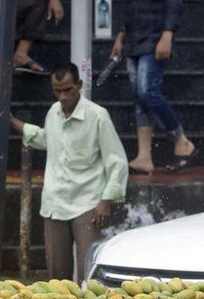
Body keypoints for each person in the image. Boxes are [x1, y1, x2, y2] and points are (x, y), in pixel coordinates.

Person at [8, 63, 128, 281]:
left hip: (88, 203)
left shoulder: (98, 116)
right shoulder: (53, 112)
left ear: (79, 85)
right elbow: (47, 138)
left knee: (88, 274)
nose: (62, 96)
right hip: (55, 202)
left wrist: (106, 200)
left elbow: (117, 160)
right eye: (57, 91)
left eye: (67, 90)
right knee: (57, 276)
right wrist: (12, 122)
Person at [112, 0, 196, 175]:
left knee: (148, 92)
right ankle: (144, 157)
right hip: (135, 38)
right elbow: (133, 1)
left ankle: (181, 140)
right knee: (139, 98)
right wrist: (121, 35)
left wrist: (168, 35)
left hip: (155, 38)